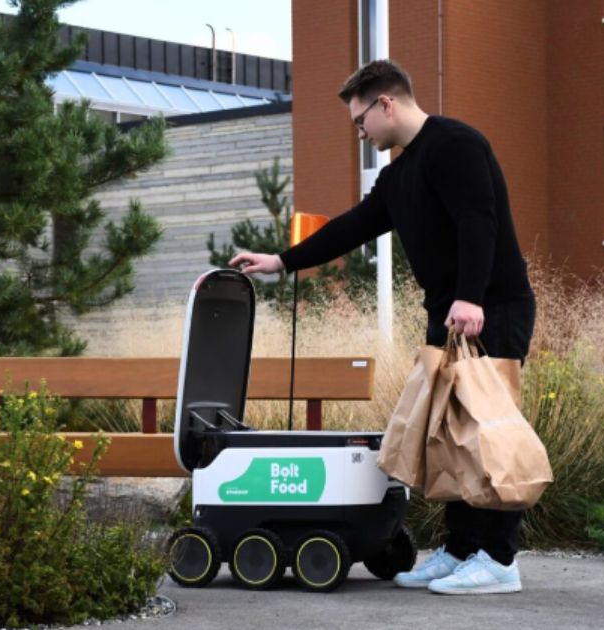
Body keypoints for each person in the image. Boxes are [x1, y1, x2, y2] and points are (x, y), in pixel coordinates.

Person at [228, 59, 536, 596]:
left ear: (386, 103)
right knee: (449, 436)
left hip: (490, 309)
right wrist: (281, 260)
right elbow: (351, 228)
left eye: (360, 121)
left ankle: (499, 559)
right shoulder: (398, 175)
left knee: (487, 435)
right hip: (450, 315)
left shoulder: (456, 144)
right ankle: (462, 549)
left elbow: (478, 220)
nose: (360, 132)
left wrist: (469, 296)